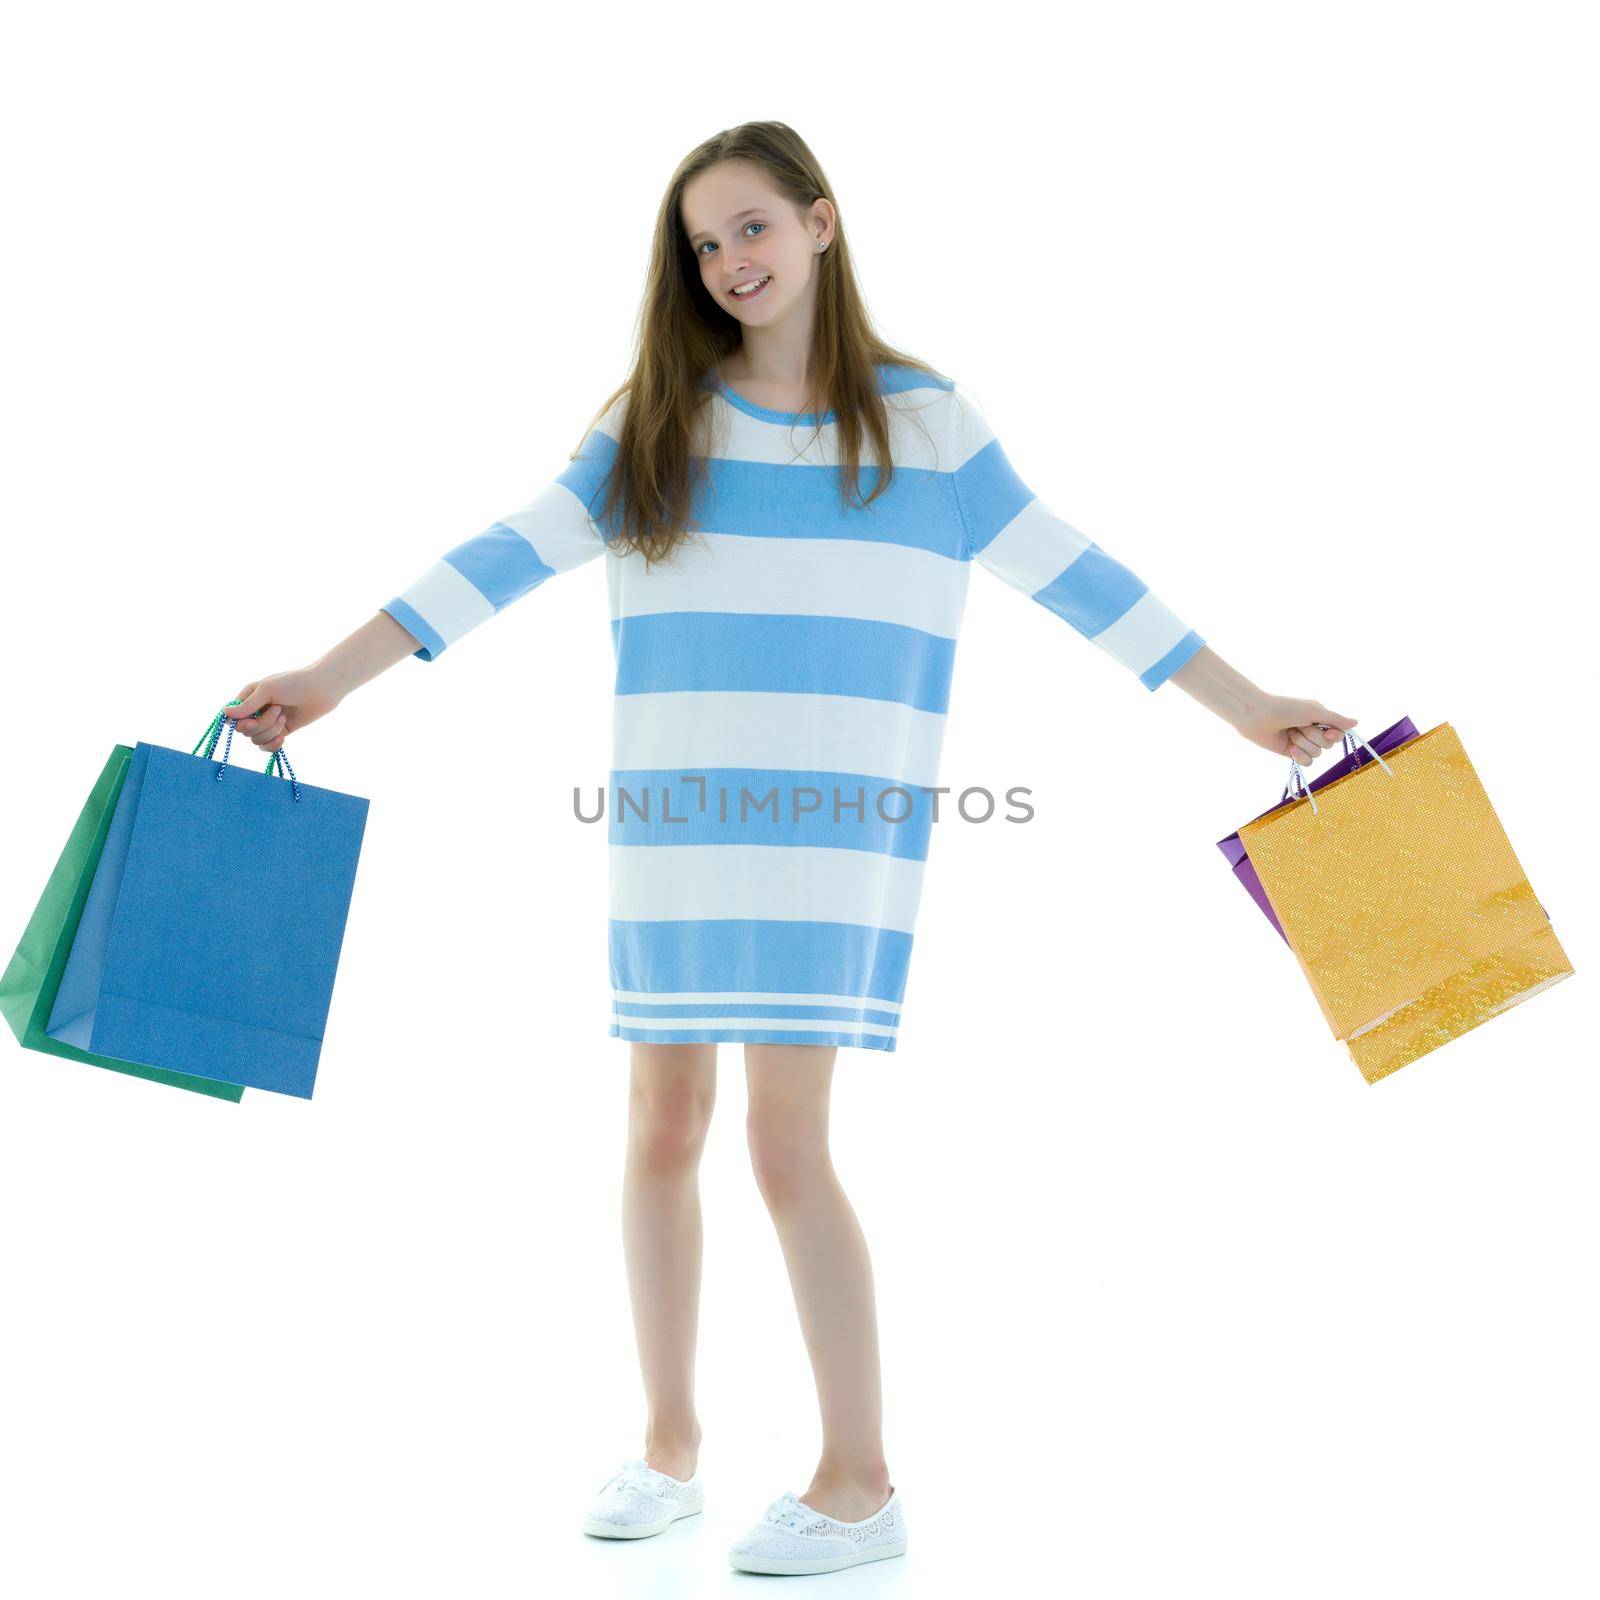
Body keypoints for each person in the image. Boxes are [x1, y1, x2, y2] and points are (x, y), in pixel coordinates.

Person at [222, 120, 1357, 1577]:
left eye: (753, 226)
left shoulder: (926, 425)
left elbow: (1082, 576)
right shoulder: (658, 421)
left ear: (821, 225)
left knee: (784, 1143)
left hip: (830, 837)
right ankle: (671, 1444)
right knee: (658, 1128)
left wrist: (1245, 704)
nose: (731, 261)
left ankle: (858, 1477)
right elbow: (502, 553)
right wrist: (330, 676)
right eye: (705, 243)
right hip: (675, 823)